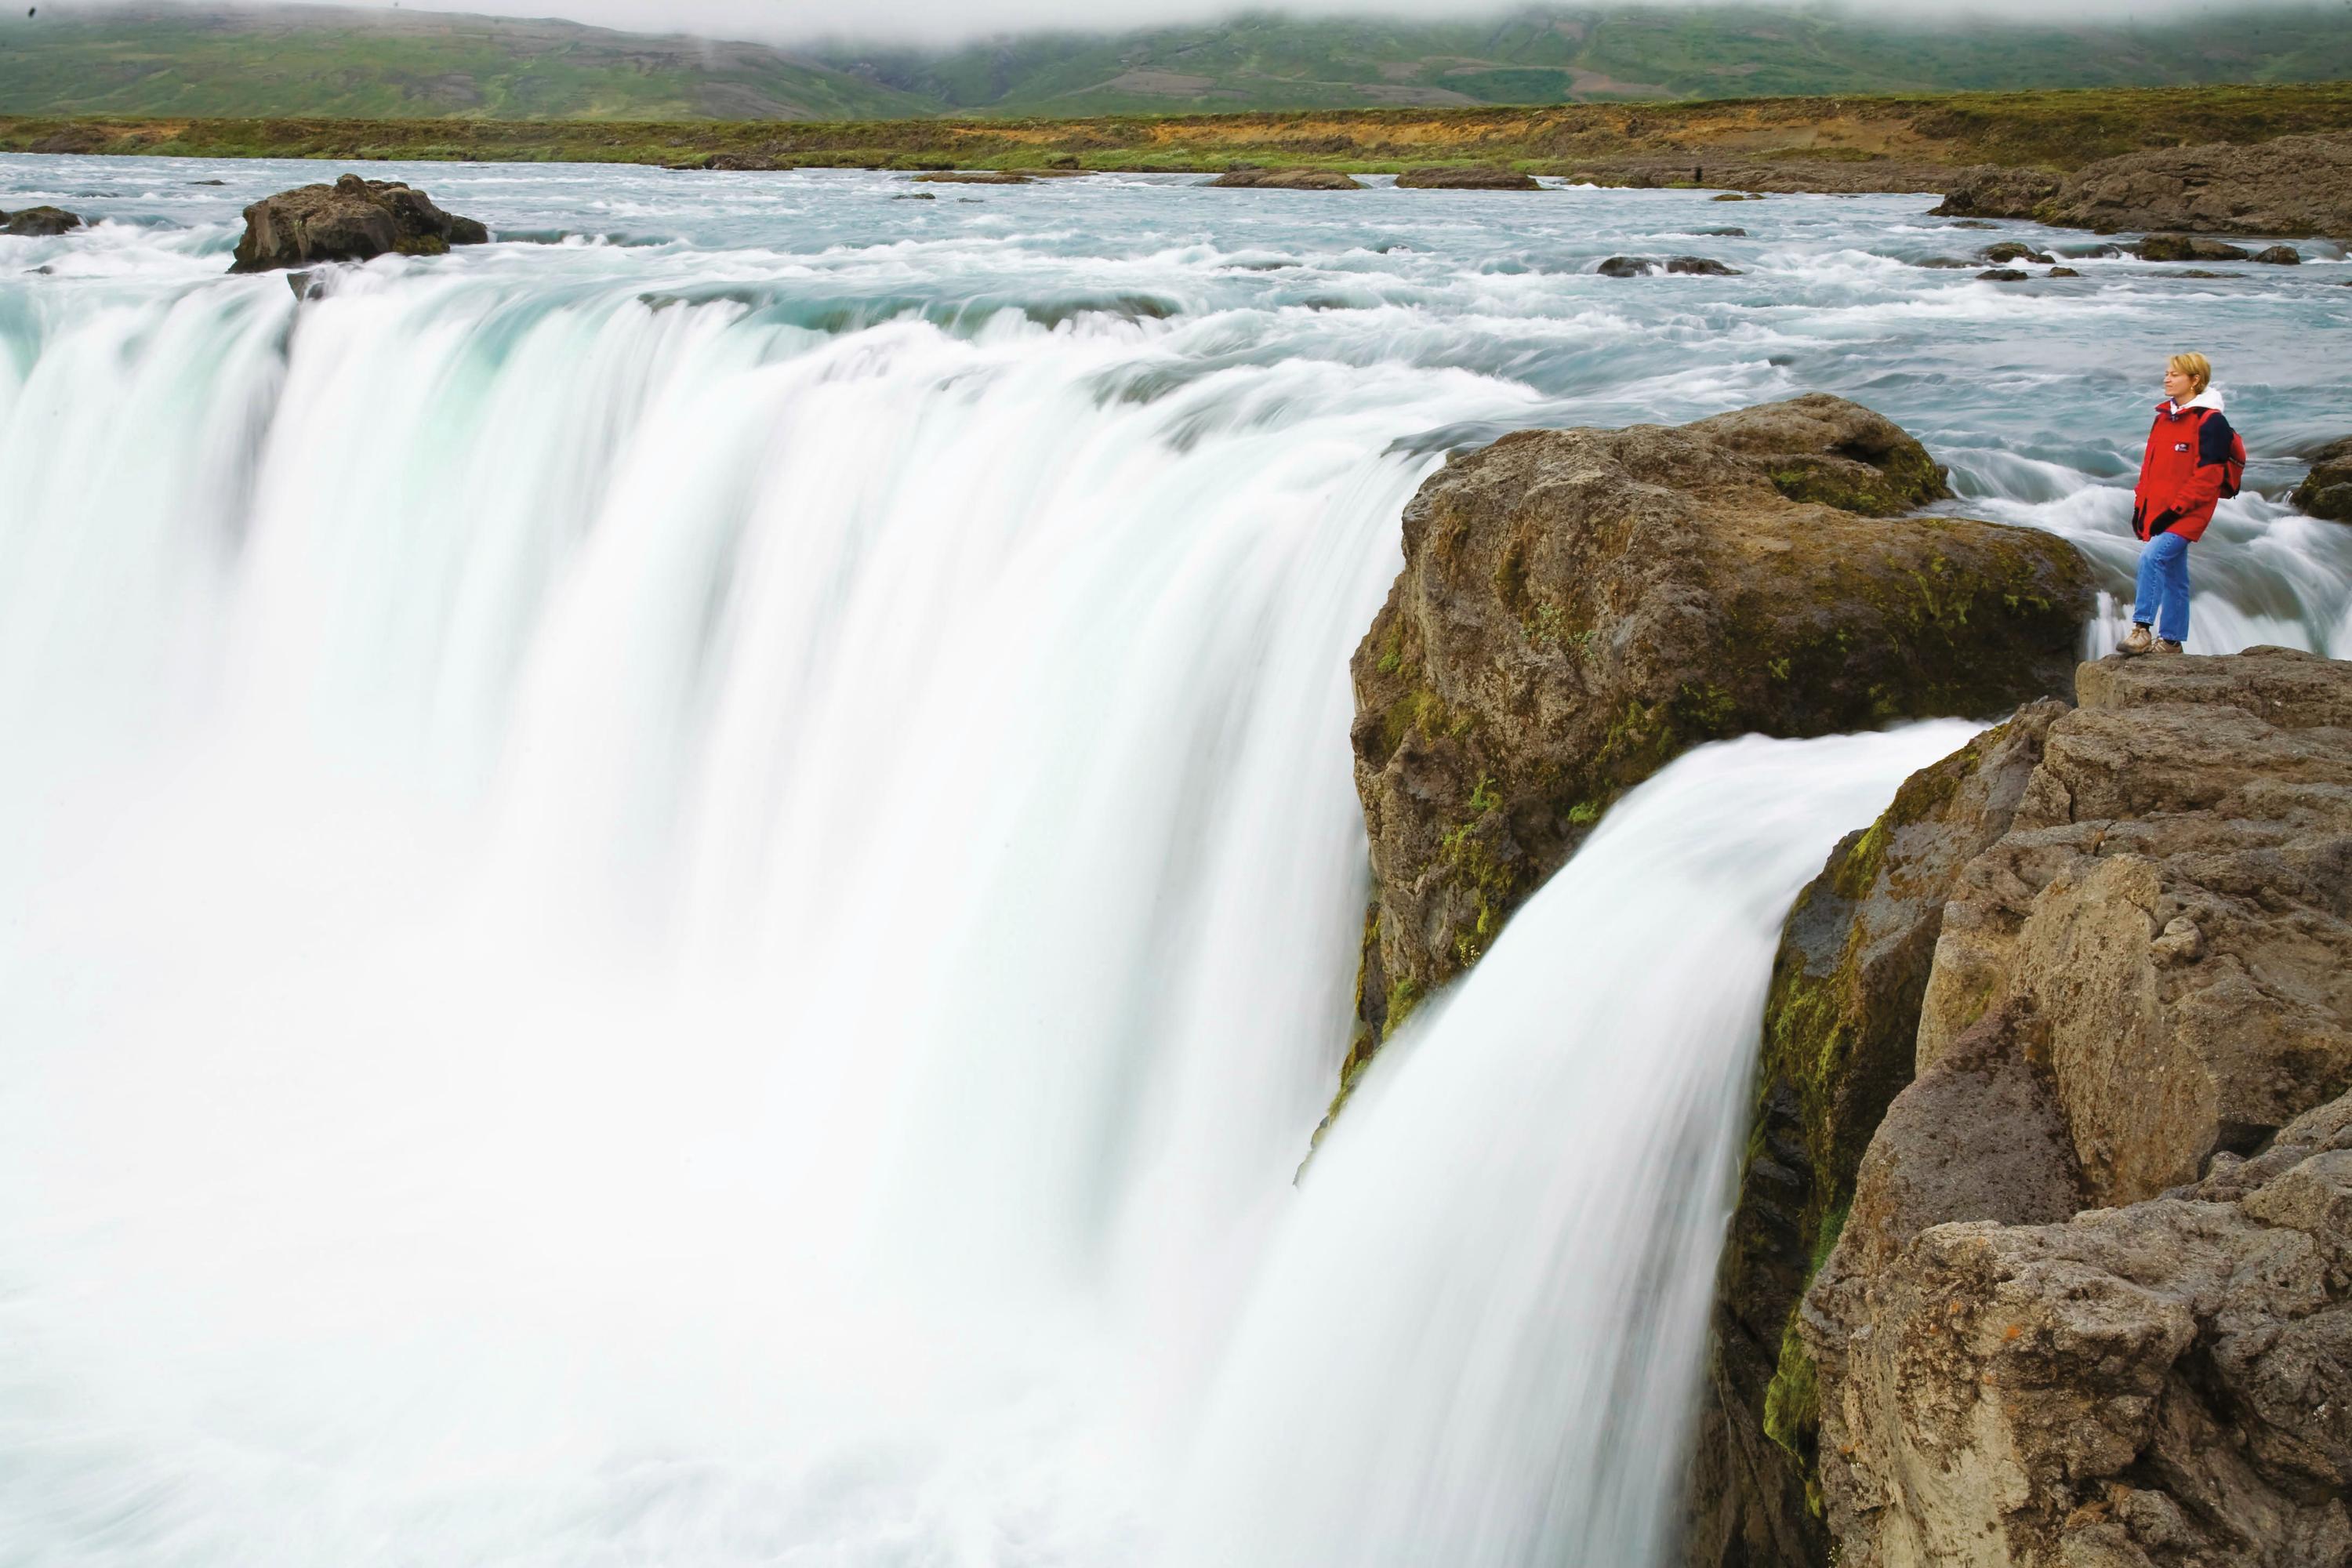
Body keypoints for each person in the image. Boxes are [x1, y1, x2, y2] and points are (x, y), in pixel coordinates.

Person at [2121, 352, 2240, 655]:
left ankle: (2142, 629)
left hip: (2189, 513)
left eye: (2174, 374)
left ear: (2195, 380)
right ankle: (2172, 641)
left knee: (2152, 558)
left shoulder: (2212, 422)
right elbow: (2149, 469)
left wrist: (2174, 512)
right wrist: (2140, 508)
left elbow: (2209, 477)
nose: (2166, 379)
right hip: (2160, 509)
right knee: (2175, 576)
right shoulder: (2163, 418)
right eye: (2166, 373)